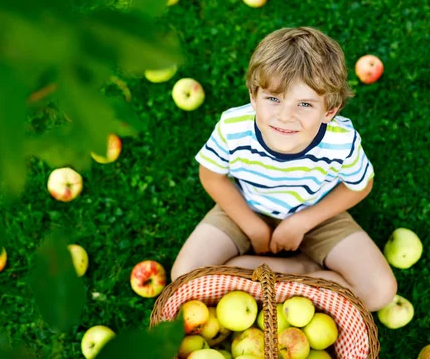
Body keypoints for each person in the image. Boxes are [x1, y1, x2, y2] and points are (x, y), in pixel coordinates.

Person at [170, 27, 397, 311]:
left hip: (315, 214)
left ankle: (285, 269)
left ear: (329, 111)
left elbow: (360, 184)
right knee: (184, 279)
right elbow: (211, 175)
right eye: (273, 99)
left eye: (304, 104)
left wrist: (300, 223)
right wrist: (253, 228)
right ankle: (303, 273)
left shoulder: (340, 140)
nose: (285, 116)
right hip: (247, 205)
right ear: (254, 96)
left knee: (379, 292)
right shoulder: (233, 127)